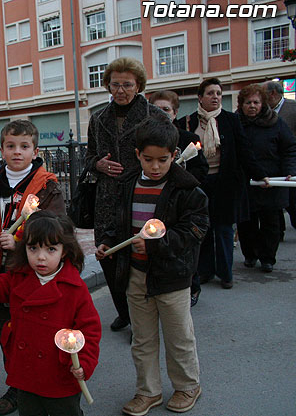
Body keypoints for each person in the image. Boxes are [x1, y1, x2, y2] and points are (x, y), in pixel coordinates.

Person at [96, 115, 209, 416]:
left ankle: (187, 386)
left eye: (163, 160)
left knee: (179, 337)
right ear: (138, 155)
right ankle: (148, 390)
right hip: (136, 274)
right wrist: (108, 241)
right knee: (142, 338)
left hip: (172, 276)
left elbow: (195, 230)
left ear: (174, 155)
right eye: (148, 159)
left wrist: (157, 244)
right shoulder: (127, 184)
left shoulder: (186, 189)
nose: (155, 166)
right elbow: (119, 222)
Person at [0, 119, 66, 415]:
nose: (17, 152)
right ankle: (18, 387)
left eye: (24, 146)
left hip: (35, 274)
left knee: (38, 332)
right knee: (9, 334)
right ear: (1, 150)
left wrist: (21, 242)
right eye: (10, 146)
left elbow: (59, 228)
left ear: (35, 151)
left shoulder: (48, 186)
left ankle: (46, 384)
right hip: (3, 276)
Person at [0, 211, 101, 416]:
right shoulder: (19, 277)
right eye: (33, 248)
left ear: (64, 251)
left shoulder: (74, 288)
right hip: (26, 372)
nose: (41, 257)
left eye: (51, 249)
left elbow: (90, 331)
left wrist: (85, 363)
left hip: (60, 374)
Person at [84, 57, 165, 332]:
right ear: (108, 86)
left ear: (138, 86)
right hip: (107, 198)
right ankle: (124, 311)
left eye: (127, 85)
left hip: (143, 195)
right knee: (108, 254)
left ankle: (143, 321)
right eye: (115, 84)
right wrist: (97, 164)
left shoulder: (155, 116)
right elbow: (88, 156)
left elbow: (168, 154)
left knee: (141, 255)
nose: (120, 90)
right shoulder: (98, 118)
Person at [177, 78, 267, 289]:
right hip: (199, 182)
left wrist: (260, 175)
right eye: (210, 93)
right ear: (200, 97)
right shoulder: (187, 122)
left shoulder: (230, 120)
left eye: (218, 93)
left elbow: (244, 151)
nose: (215, 97)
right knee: (204, 229)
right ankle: (206, 270)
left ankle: (226, 274)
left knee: (225, 229)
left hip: (226, 183)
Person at [148, 91, 208, 306]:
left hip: (179, 200)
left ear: (174, 113)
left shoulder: (188, 139)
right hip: (155, 200)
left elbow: (201, 168)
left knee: (183, 245)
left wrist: (183, 179)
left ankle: (192, 285)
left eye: (166, 109)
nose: (161, 113)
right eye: (156, 109)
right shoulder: (146, 140)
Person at [235, 84, 296, 273]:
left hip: (272, 181)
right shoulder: (235, 123)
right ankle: (250, 255)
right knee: (247, 223)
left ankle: (268, 258)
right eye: (248, 103)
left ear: (263, 104)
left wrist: (289, 171)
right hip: (246, 183)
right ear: (241, 104)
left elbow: (289, 149)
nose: (252, 106)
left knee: (271, 223)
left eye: (256, 102)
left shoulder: (276, 122)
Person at [262, 80, 296, 233]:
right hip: (272, 163)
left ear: (272, 94)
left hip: (290, 162)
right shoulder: (264, 112)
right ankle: (278, 231)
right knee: (274, 200)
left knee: (292, 200)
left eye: (263, 94)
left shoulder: (292, 108)